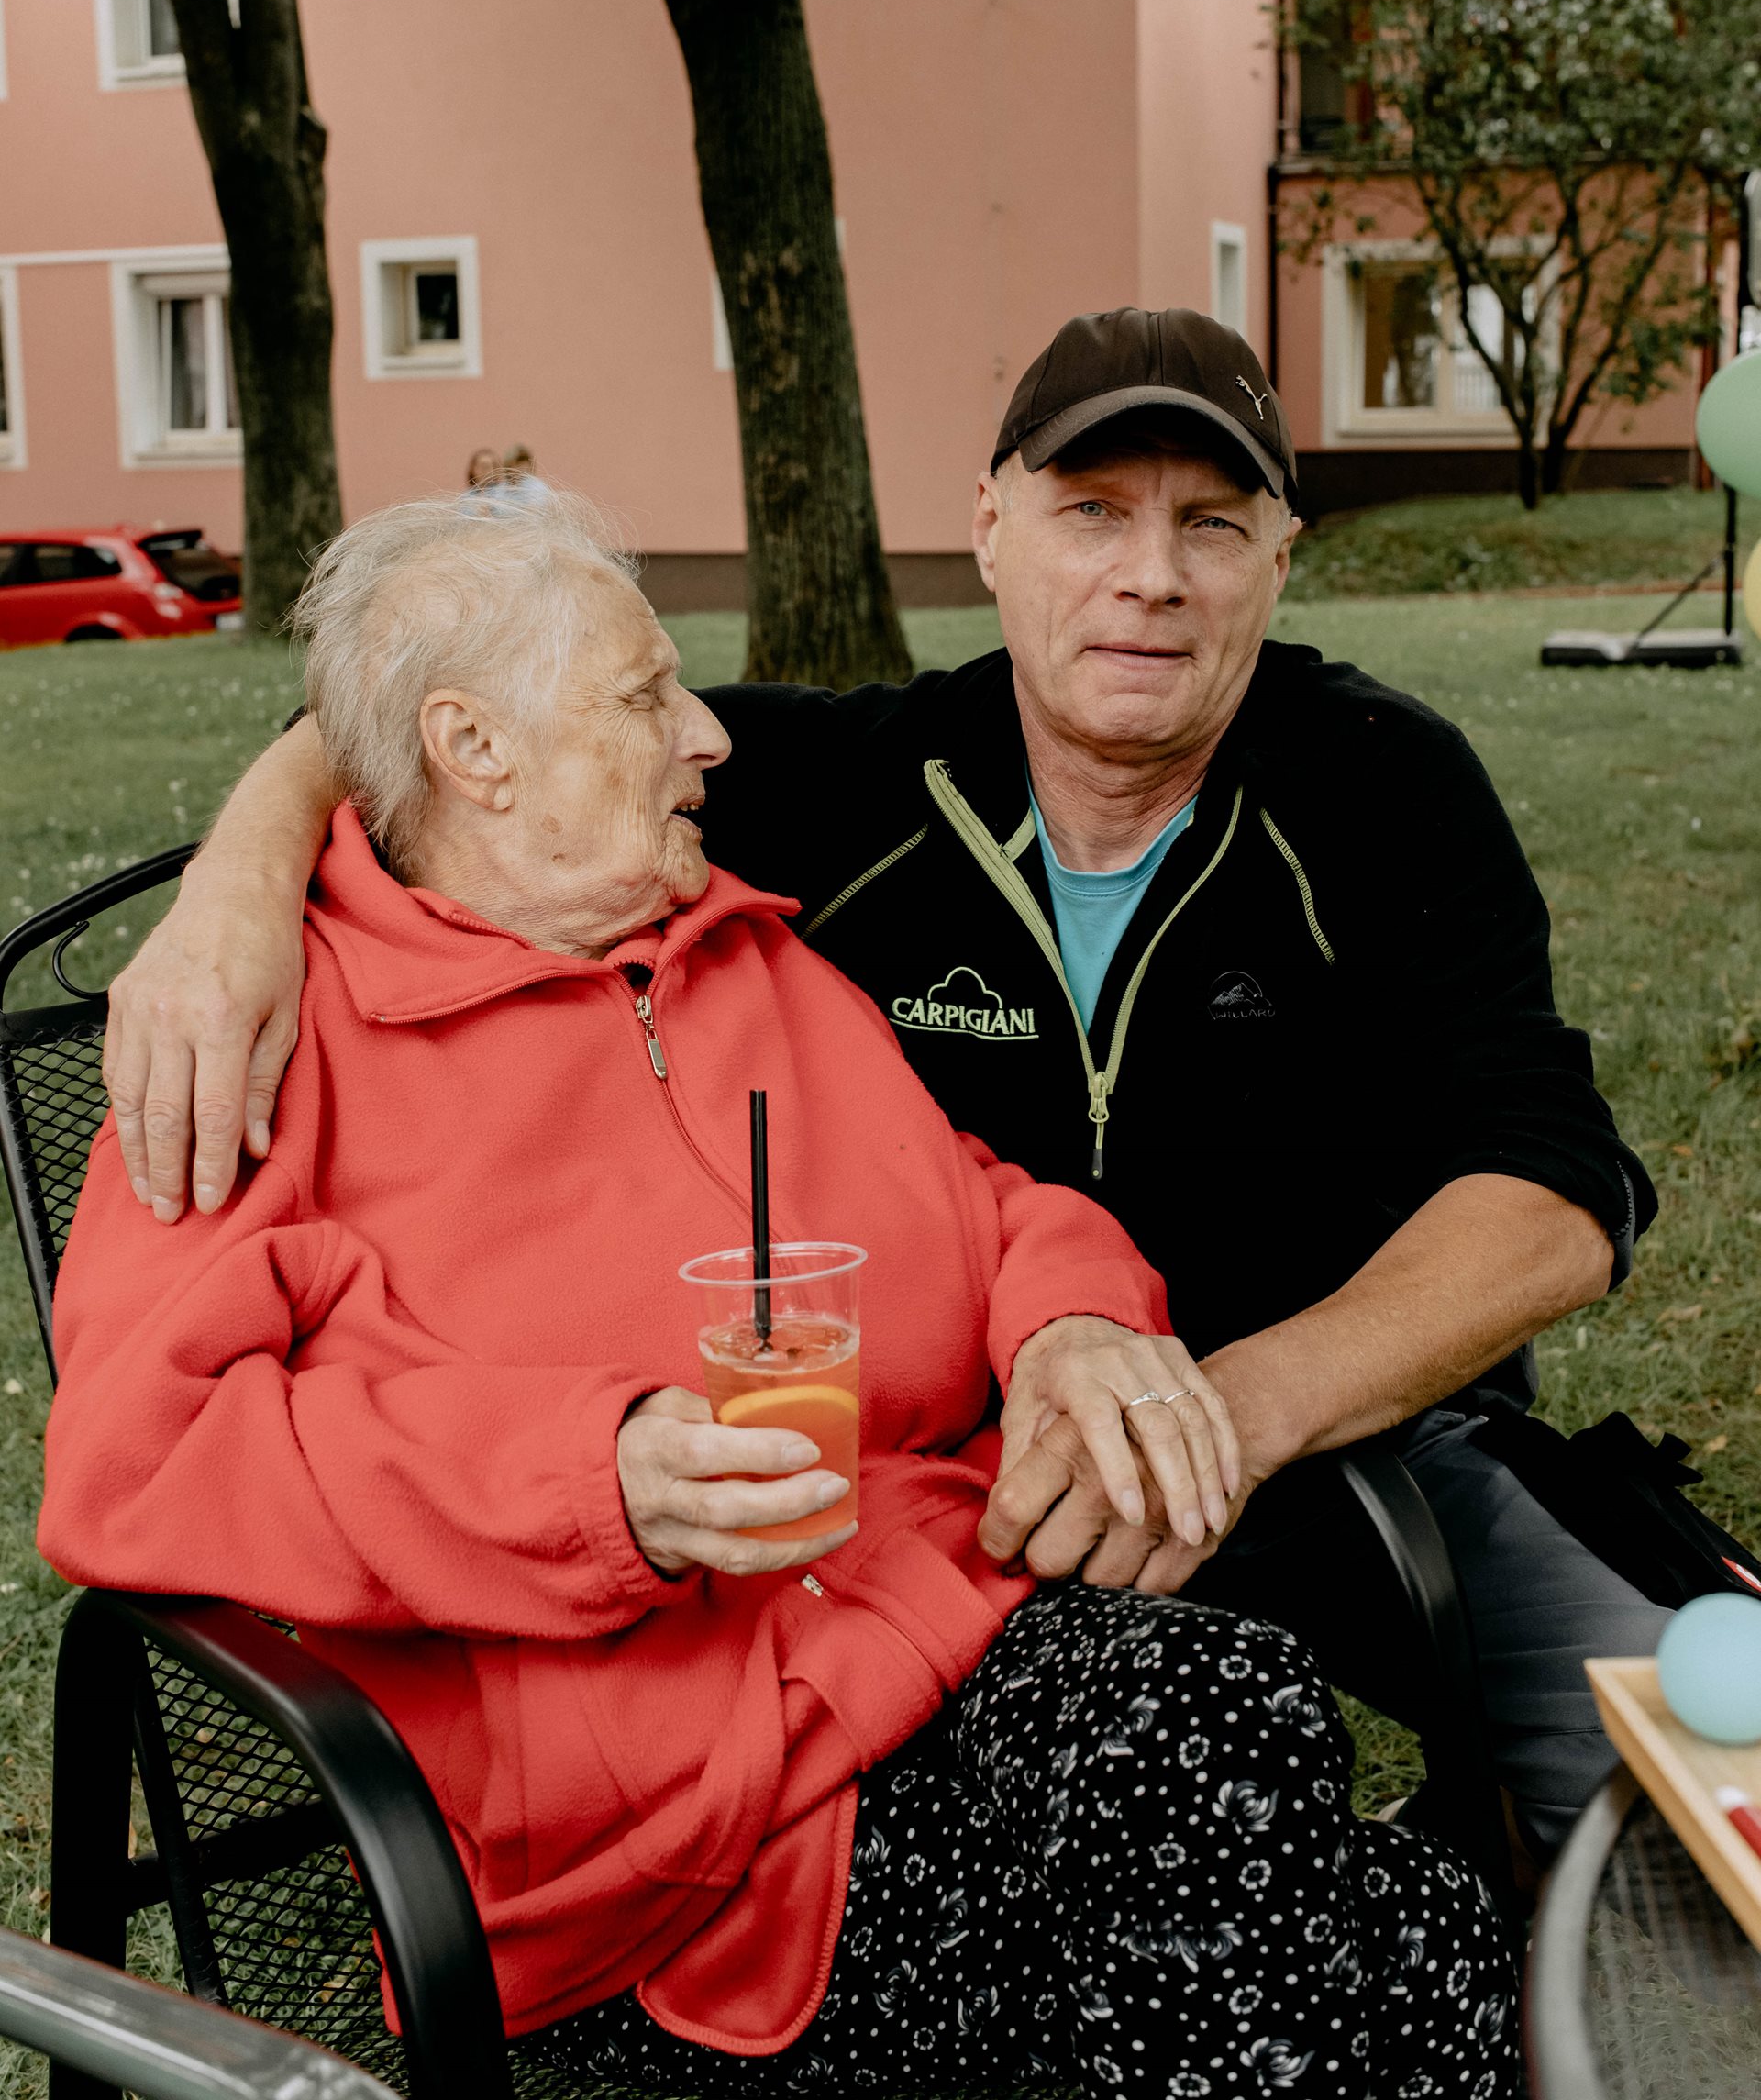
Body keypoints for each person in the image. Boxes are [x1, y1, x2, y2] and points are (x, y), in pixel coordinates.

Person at [104, 307, 1667, 1862]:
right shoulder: (841, 783)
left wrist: (1228, 1412)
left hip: (1338, 1442)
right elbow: (427, 710)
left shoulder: (1385, 784)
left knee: (1697, 1776)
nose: (1151, 575)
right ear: (988, 529)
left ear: (1279, 557)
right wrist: (233, 891)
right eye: (1092, 513)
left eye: (1211, 524)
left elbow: (1551, 1196)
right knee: (1154, 1807)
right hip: (984, 1498)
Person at [39, 493, 1521, 2099]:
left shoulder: (744, 960)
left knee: (1346, 1857)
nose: (708, 738)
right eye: (645, 696)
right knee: (1303, 1851)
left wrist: (1071, 1321)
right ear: (474, 749)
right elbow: (138, 1455)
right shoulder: (256, 1046)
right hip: (658, 1824)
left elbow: (984, 1200)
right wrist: (588, 1482)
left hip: (933, 1632)